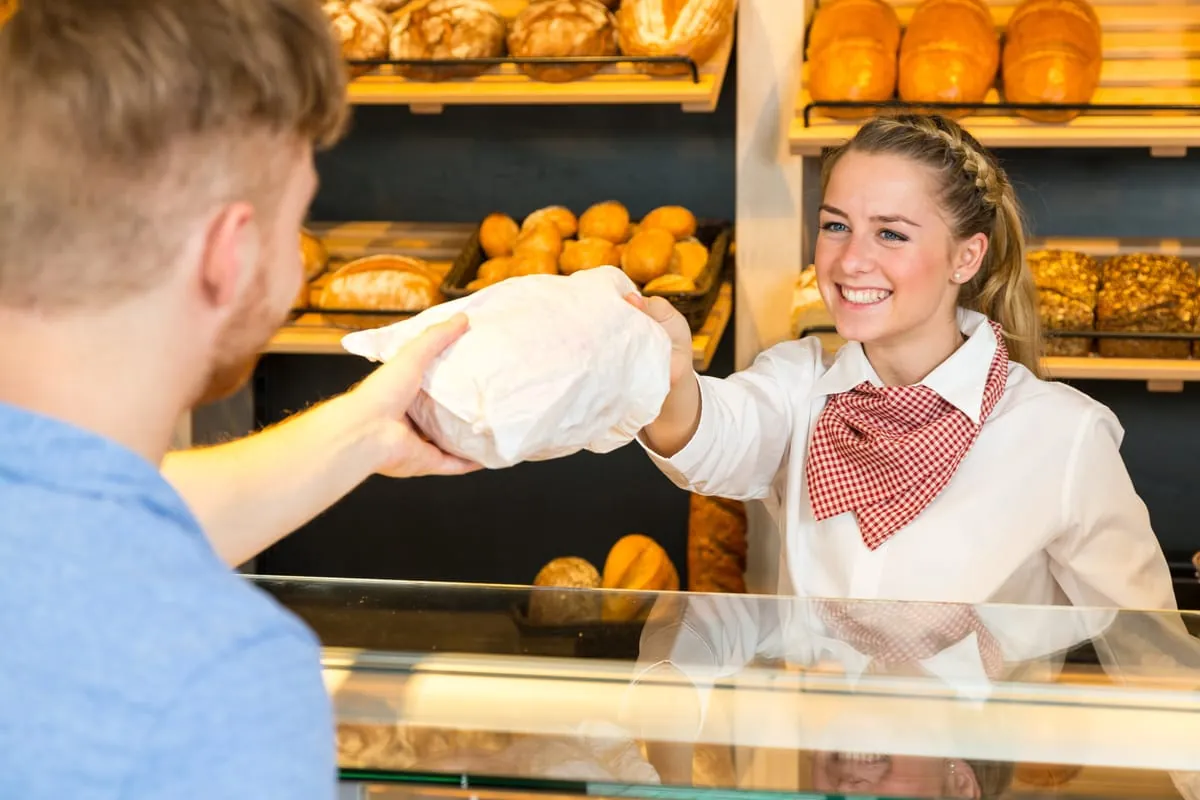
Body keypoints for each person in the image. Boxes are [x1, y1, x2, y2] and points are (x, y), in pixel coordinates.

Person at [0, 1, 474, 797]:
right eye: (298, 220)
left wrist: (364, 428)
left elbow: (95, 517)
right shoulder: (218, 681)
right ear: (230, 252)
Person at [629, 113, 1174, 610]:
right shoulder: (798, 386)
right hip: (813, 721)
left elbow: (1147, 653)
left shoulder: (1062, 436)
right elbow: (708, 434)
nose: (850, 261)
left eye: (890, 233)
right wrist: (666, 369)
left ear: (966, 256)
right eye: (835, 225)